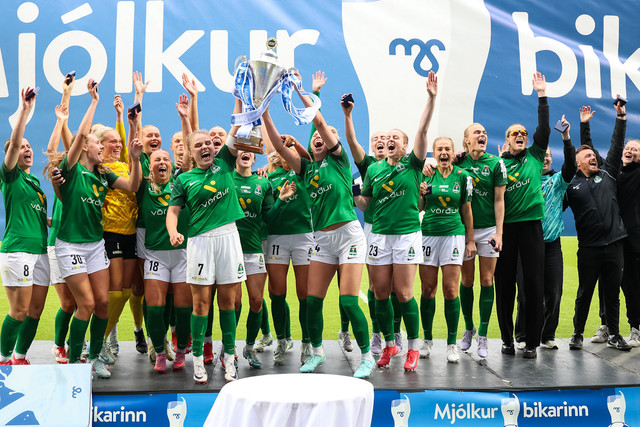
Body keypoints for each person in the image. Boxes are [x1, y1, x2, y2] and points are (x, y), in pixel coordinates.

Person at [262, 75, 374, 379]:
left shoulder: (339, 161)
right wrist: (264, 112)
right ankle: (316, 352)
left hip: (349, 237)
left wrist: (301, 91)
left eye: (328, 134)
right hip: (322, 241)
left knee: (348, 300)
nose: (321, 136)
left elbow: (320, 123)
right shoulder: (305, 169)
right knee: (312, 302)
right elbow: (278, 144)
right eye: (315, 136)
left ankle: (367, 357)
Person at [52, 79, 142, 378]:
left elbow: (132, 186)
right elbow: (79, 135)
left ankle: (95, 358)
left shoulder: (103, 176)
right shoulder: (71, 170)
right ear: (85, 147)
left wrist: (136, 159)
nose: (102, 148)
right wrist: (93, 101)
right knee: (87, 303)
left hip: (94, 246)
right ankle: (75, 362)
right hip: (70, 245)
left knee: (103, 302)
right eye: (97, 144)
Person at [356, 71, 438, 371]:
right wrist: (352, 195)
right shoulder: (374, 170)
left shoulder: (414, 164)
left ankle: (413, 347)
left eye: (396, 138)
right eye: (387, 138)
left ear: (405, 146)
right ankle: (390, 344)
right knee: (379, 293)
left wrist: (431, 98)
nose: (390, 140)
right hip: (379, 235)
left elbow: (422, 129)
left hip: (406, 235)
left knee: (403, 293)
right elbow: (365, 203)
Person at [167, 98, 246, 384]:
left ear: (215, 147)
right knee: (200, 305)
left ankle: (229, 359)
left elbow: (235, 126)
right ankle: (198, 360)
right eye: (198, 145)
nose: (205, 147)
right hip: (199, 242)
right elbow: (172, 211)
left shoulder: (225, 162)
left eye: (209, 144)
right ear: (190, 152)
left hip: (228, 238)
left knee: (228, 302)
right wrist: (173, 231)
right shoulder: (184, 179)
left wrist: (238, 97)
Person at [566, 101, 631, 351]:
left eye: (593, 155)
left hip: (614, 245)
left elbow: (616, 145)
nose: (593, 157)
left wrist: (621, 117)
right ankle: (577, 333)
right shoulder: (570, 186)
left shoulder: (608, 173)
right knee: (584, 293)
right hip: (589, 248)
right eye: (587, 156)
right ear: (578, 164)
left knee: (612, 294)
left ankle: (614, 334)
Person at [495, 72, 549, 359]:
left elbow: (544, 128)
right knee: (504, 285)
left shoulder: (535, 155)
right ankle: (507, 340)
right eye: (514, 133)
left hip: (531, 227)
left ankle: (531, 342)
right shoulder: (498, 164)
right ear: (506, 140)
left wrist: (541, 95)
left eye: (523, 133)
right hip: (505, 230)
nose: (520, 136)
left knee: (533, 285)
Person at [343, 96, 400, 356]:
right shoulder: (368, 165)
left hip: (398, 231)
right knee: (376, 286)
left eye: (384, 138)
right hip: (372, 229)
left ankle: (395, 332)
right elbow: (352, 142)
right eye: (375, 139)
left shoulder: (402, 165)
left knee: (398, 287)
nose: (380, 141)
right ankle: (377, 332)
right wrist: (348, 115)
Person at [513, 116, 576, 350]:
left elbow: (571, 166)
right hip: (526, 243)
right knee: (525, 293)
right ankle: (522, 335)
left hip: (551, 245)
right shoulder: (525, 178)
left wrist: (566, 138)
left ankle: (547, 335)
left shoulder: (558, 181)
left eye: (550, 155)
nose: (547, 158)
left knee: (554, 293)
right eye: (544, 154)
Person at [0, 88, 50, 365]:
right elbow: (15, 141)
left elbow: (37, 216)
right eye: (22, 147)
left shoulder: (34, 183)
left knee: (35, 310)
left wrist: (52, 221)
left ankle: (20, 357)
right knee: (19, 310)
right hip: (18, 250)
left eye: (29, 147)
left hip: (40, 251)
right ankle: (3, 358)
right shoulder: (10, 176)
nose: (27, 149)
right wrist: (24, 111)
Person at [419, 137, 475, 363]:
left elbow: (467, 210)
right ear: (433, 153)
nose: (443, 152)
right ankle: (427, 340)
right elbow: (419, 207)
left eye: (447, 149)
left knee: (451, 290)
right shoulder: (426, 174)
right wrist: (420, 193)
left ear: (453, 153)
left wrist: (470, 241)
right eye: (439, 149)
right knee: (427, 289)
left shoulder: (463, 176)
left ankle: (452, 344)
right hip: (428, 234)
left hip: (453, 235)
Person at [455, 123, 506, 358]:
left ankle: (483, 335)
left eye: (484, 132)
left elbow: (499, 200)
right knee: (466, 280)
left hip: (488, 231)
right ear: (466, 140)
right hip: (464, 231)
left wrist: (499, 233)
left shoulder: (496, 163)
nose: (482, 135)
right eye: (477, 132)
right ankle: (469, 328)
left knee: (486, 280)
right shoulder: (457, 163)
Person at [138, 148, 192, 373]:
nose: (162, 162)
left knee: (183, 310)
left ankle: (181, 351)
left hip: (182, 255)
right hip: (155, 255)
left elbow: (189, 159)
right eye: (157, 159)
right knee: (155, 309)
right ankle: (159, 352)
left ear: (172, 164)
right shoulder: (142, 187)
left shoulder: (181, 183)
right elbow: (134, 157)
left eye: (166, 159)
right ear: (149, 167)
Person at [264, 138, 315, 365]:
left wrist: (295, 143)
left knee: (305, 294)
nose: (288, 156)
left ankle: (307, 343)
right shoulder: (268, 177)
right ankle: (282, 341)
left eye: (290, 151)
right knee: (277, 293)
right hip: (277, 238)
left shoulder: (304, 172)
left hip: (304, 237)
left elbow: (307, 158)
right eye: (283, 152)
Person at [46, 76, 77, 364]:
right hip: (58, 243)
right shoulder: (63, 173)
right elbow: (54, 149)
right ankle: (59, 345)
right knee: (68, 302)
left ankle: (75, 344)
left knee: (83, 302)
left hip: (84, 244)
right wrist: (65, 96)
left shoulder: (89, 175)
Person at [618, 138, 640, 347]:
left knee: (633, 286)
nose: (630, 151)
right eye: (628, 148)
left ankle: (635, 328)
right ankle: (607, 327)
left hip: (634, 243)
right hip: (612, 240)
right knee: (609, 287)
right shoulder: (613, 172)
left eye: (635, 149)